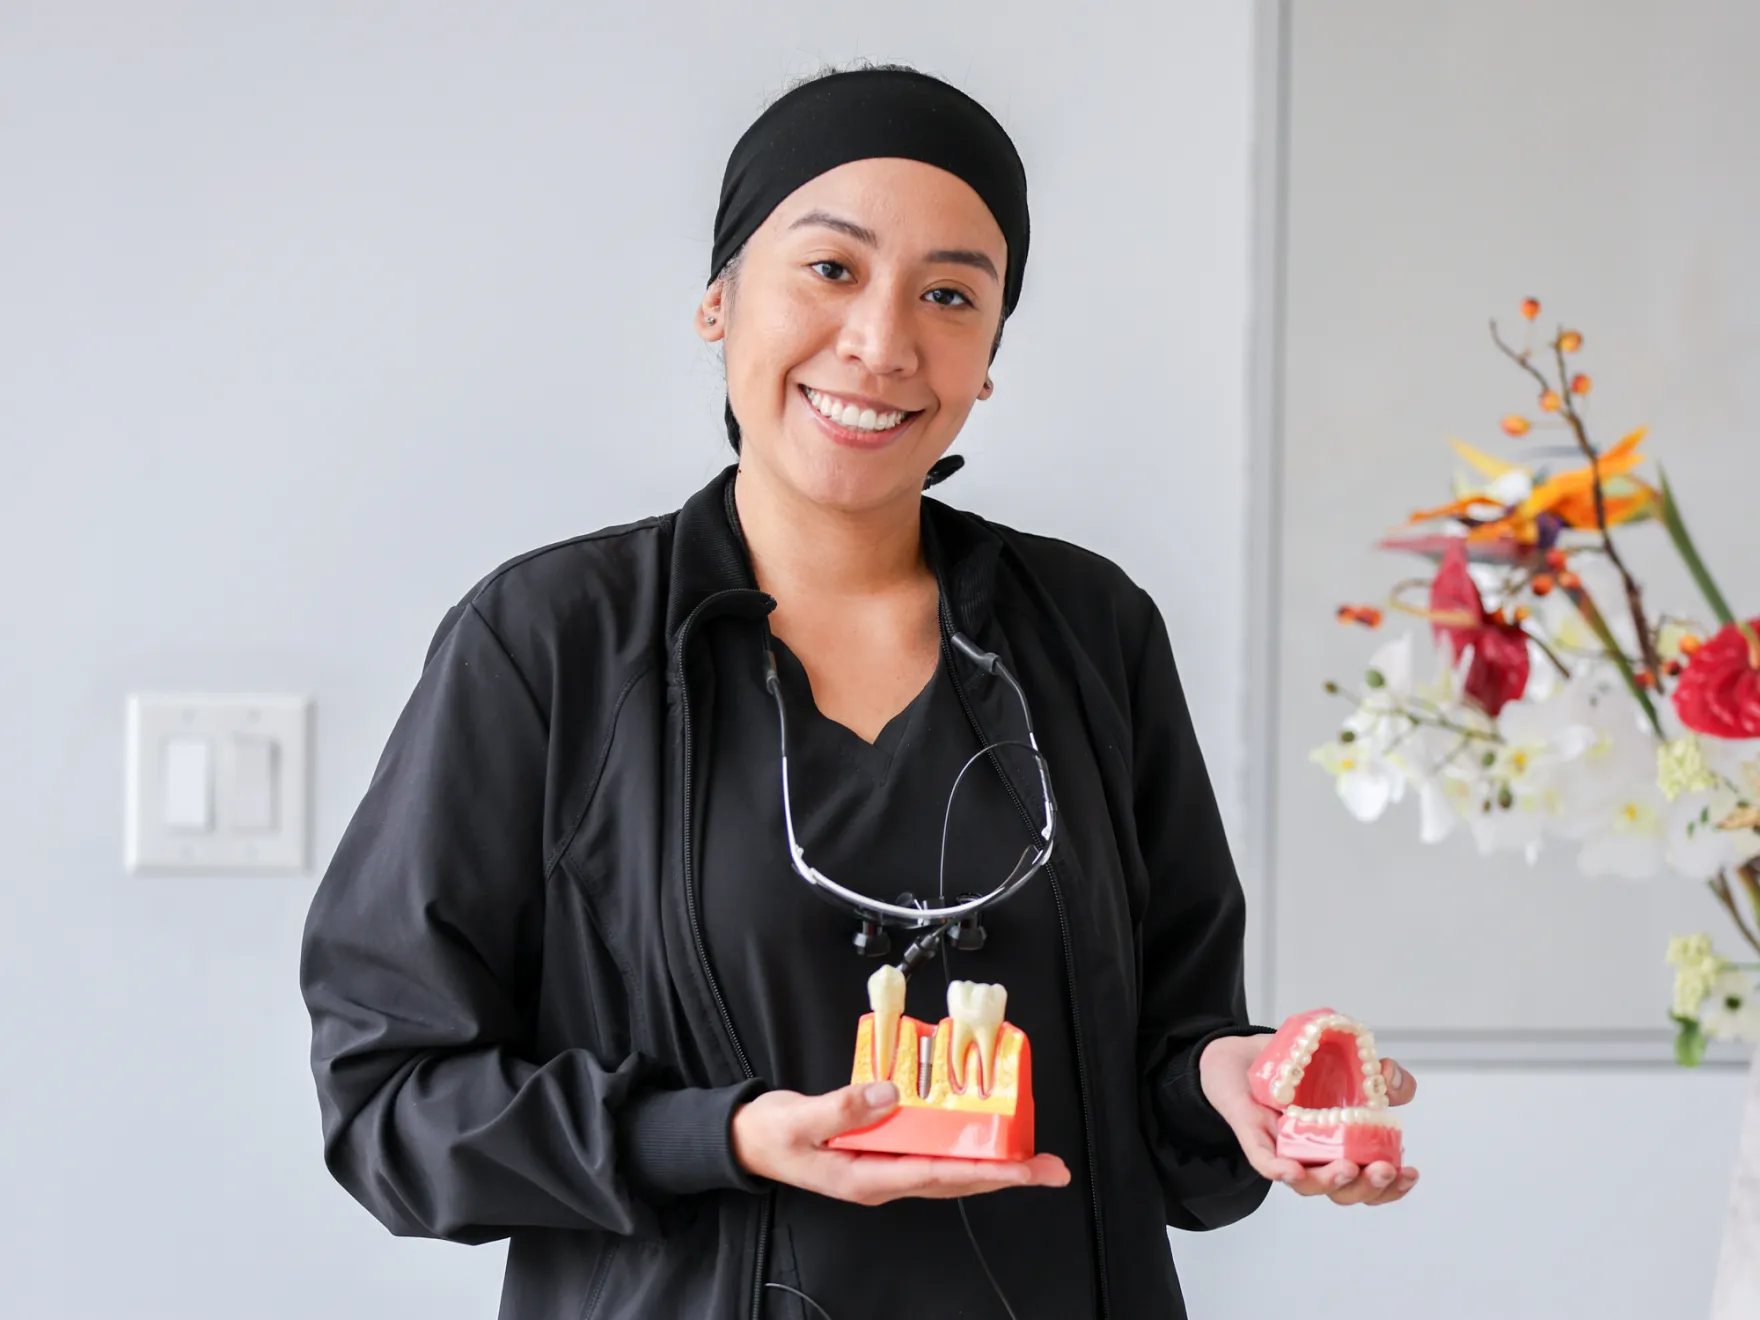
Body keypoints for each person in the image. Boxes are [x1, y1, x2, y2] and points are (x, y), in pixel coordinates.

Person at [299, 62, 1418, 1320]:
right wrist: (717, 1138)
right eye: (830, 269)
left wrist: (1229, 1082)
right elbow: (390, 1105)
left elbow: (1164, 1068)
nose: (882, 343)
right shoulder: (548, 642)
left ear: (988, 357)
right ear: (717, 300)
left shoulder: (1092, 632)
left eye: (948, 294)